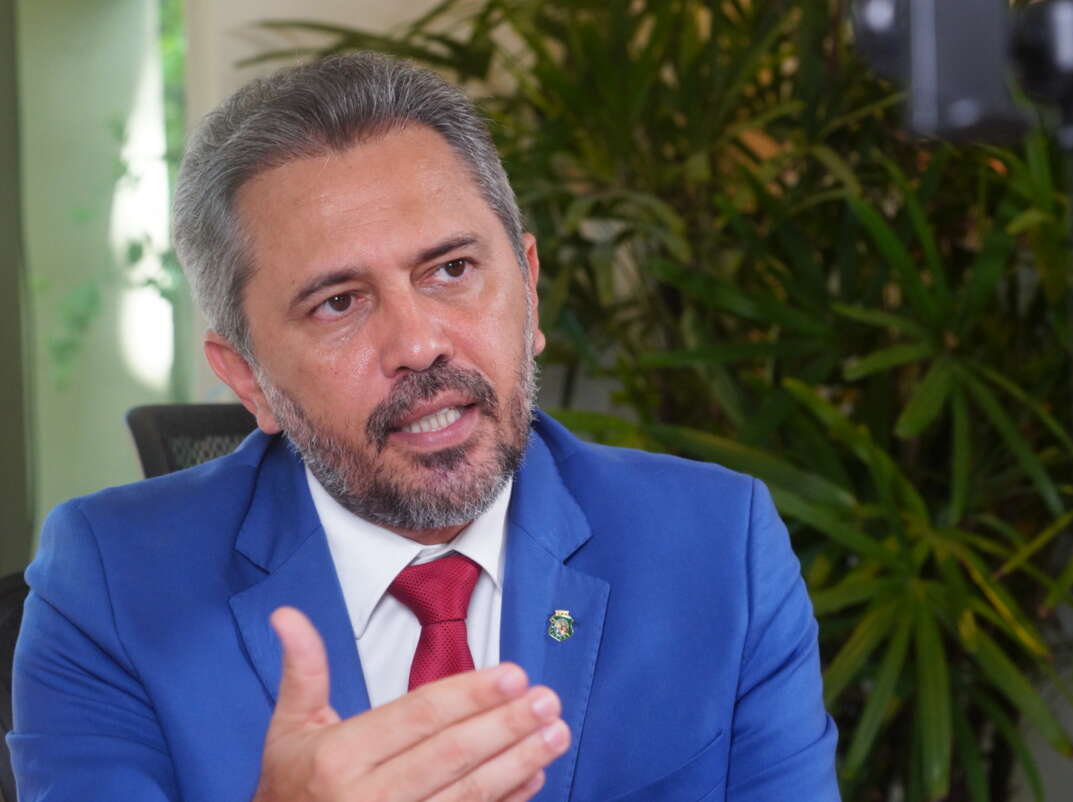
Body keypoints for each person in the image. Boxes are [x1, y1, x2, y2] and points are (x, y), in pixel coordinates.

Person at [10, 53, 840, 801]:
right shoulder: (109, 587)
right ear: (246, 377)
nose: (417, 344)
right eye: (338, 302)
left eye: (451, 269)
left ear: (530, 291)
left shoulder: (719, 547)